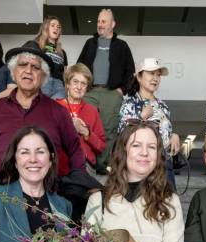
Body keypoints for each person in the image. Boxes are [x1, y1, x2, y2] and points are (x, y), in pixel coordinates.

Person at [0, 46, 84, 183]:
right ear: (14, 71)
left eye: (35, 67)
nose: (28, 71)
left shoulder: (58, 111)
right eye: (23, 65)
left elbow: (75, 150)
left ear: (44, 76)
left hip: (46, 193)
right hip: (2, 192)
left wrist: (78, 185)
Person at [77, 8, 135, 174]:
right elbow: (79, 66)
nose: (100, 24)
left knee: (109, 128)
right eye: (98, 21)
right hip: (90, 91)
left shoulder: (122, 46)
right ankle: (86, 160)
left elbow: (130, 72)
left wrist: (122, 90)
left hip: (112, 93)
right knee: (84, 125)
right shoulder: (90, 43)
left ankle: (102, 164)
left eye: (103, 21)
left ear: (113, 24)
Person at [118, 57, 181, 189]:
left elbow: (165, 132)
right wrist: (141, 117)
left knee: (168, 203)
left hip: (165, 164)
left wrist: (173, 135)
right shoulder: (130, 104)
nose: (156, 78)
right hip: (142, 164)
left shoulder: (163, 105)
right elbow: (122, 137)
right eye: (151, 73)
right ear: (139, 77)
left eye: (158, 75)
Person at [56, 63, 105, 171]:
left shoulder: (92, 110)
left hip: (85, 166)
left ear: (87, 87)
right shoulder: (55, 107)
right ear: (67, 84)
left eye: (83, 83)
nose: (79, 87)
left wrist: (86, 132)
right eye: (75, 82)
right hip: (59, 165)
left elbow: (101, 146)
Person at [24, 16, 68, 82]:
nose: (56, 28)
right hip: (43, 83)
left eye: (58, 27)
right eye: (53, 25)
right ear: (46, 28)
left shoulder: (62, 52)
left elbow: (64, 73)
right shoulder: (35, 45)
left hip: (59, 85)